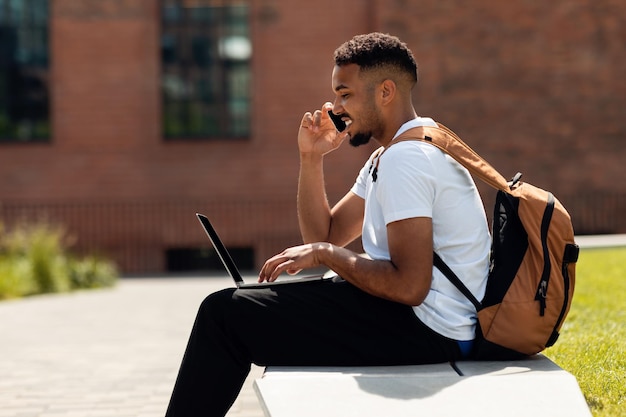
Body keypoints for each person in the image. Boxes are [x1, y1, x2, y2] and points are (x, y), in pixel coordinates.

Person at [165, 32, 491, 417]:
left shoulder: (408, 161)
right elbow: (326, 236)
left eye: (345, 94)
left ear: (385, 92)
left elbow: (408, 285)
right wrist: (311, 157)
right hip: (419, 320)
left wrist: (325, 254)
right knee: (240, 309)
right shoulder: (392, 156)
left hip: (432, 330)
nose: (336, 107)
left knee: (225, 315)